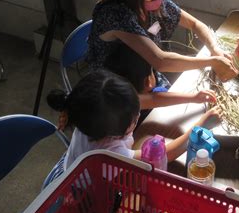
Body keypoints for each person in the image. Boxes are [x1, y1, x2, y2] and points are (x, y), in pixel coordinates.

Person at [86, 0, 237, 89]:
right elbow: (160, 61)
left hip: (149, 82)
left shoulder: (153, 2)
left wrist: (215, 48)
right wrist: (211, 62)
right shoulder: (115, 14)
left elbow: (194, 24)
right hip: (114, 95)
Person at [47, 69, 221, 171]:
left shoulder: (91, 111)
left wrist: (194, 97)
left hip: (72, 165)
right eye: (134, 118)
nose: (138, 113)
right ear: (115, 133)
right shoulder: (111, 152)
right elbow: (164, 155)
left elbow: (153, 99)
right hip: (83, 190)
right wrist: (201, 125)